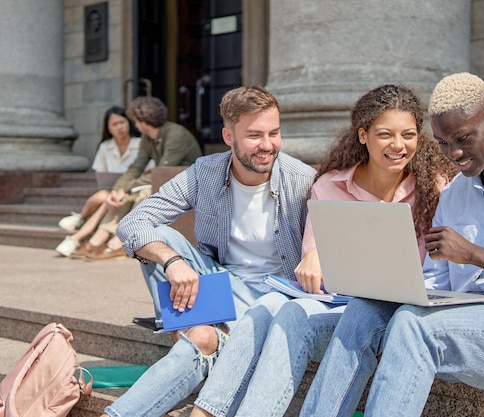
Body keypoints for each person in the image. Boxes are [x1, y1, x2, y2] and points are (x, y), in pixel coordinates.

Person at [299, 72, 484, 417]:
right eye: (443, 143)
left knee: (416, 327)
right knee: (365, 310)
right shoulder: (457, 192)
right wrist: (389, 285)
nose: (454, 153)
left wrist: (475, 255)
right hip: (471, 319)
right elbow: (438, 283)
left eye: (463, 138)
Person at [186, 85, 458, 417]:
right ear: (363, 135)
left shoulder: (438, 189)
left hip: (408, 316)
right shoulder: (329, 187)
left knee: (283, 309)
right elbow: (315, 276)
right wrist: (314, 258)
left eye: (409, 135)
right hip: (343, 309)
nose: (398, 145)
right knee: (284, 311)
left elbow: (444, 274)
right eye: (385, 134)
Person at [100, 86, 317, 417]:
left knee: (202, 340)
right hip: (219, 283)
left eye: (274, 133)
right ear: (228, 136)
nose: (267, 145)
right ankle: (189, 326)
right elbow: (133, 223)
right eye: (254, 135)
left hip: (277, 296)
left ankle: (195, 337)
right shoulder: (206, 171)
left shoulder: (301, 180)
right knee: (158, 238)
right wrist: (171, 261)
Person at [75, 96, 203, 260]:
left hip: (184, 185)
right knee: (124, 197)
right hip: (163, 181)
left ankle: (119, 243)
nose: (135, 125)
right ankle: (97, 240)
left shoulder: (176, 135)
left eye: (135, 121)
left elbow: (163, 171)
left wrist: (128, 187)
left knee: (142, 195)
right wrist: (118, 190)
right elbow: (136, 167)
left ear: (143, 122)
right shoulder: (147, 138)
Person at [55, 106, 145, 256]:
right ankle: (81, 219)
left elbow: (146, 172)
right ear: (108, 128)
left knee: (107, 200)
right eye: (114, 124)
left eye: (122, 122)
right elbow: (100, 173)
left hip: (133, 190)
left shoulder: (141, 144)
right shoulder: (105, 147)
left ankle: (78, 238)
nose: (120, 127)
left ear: (129, 123)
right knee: (103, 196)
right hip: (111, 190)